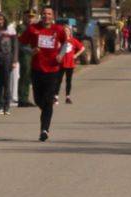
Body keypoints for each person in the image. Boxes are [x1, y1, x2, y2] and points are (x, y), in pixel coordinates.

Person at [19, 6, 72, 141]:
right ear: (41, 15)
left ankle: (44, 130)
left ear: (52, 16)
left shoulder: (58, 29)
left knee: (48, 101)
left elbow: (65, 44)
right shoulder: (32, 28)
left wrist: (61, 55)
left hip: (53, 69)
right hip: (37, 68)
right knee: (38, 99)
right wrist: (30, 51)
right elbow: (21, 44)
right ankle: (47, 111)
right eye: (44, 13)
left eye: (49, 14)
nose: (46, 16)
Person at [0, 14, 16, 114]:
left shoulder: (10, 30)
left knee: (6, 83)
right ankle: (0, 106)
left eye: (1, 19)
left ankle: (7, 107)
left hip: (7, 58)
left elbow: (15, 46)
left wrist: (14, 60)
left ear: (4, 20)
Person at [60, 28, 84, 103]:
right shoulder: (60, 40)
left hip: (70, 64)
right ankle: (55, 97)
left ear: (70, 32)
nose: (66, 32)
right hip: (61, 63)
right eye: (64, 31)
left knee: (68, 81)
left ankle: (67, 97)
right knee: (58, 80)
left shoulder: (73, 40)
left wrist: (76, 55)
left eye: (67, 31)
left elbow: (82, 48)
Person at [16, 11, 34, 106]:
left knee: (29, 77)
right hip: (25, 54)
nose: (30, 19)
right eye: (28, 17)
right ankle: (22, 99)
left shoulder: (34, 27)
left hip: (33, 54)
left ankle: (25, 97)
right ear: (24, 17)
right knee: (25, 75)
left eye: (32, 17)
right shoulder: (21, 27)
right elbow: (19, 42)